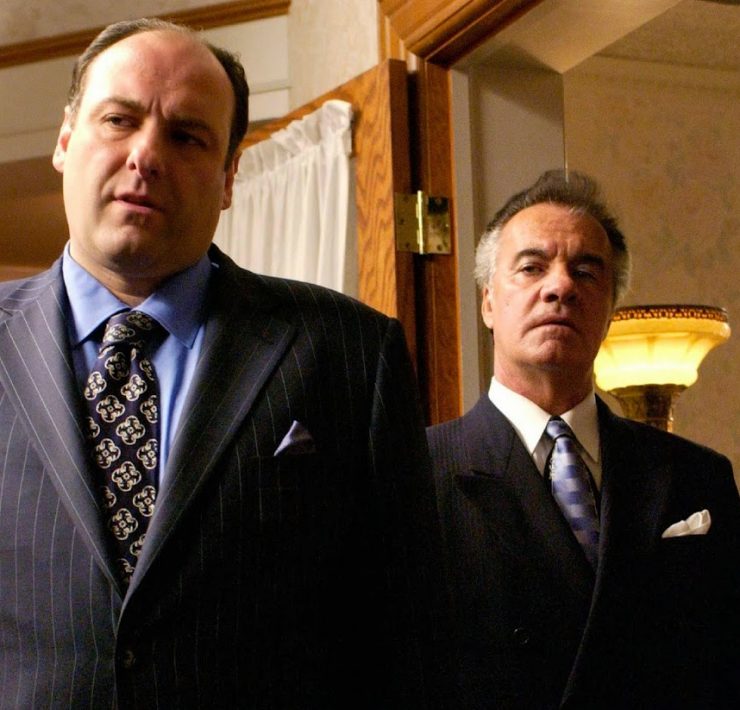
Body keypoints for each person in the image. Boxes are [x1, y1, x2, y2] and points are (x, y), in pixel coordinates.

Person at [0, 18, 446, 708]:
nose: (146, 155)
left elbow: (404, 638)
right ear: (65, 139)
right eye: (119, 120)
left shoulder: (350, 351)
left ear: (230, 176)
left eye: (186, 136)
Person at [427, 170, 740, 709]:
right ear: (488, 302)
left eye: (586, 272)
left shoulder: (696, 475)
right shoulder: (415, 471)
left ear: (610, 308)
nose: (560, 287)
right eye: (531, 267)